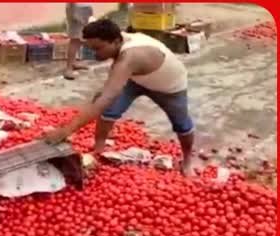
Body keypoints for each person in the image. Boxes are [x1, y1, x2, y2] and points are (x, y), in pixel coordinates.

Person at [43, 19, 195, 177]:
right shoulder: (116, 38)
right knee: (108, 111)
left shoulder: (130, 57)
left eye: (98, 48)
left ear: (115, 41)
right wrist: (104, 92)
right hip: (135, 78)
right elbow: (110, 89)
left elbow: (106, 98)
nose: (96, 54)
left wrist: (65, 131)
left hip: (169, 86)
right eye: (92, 48)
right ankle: (99, 151)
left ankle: (188, 160)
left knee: (181, 124)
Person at [64, 3, 94, 80]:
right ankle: (69, 69)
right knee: (75, 39)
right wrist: (73, 11)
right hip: (78, 8)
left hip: (83, 7)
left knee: (80, 36)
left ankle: (73, 63)